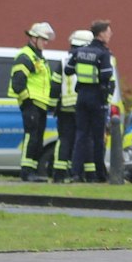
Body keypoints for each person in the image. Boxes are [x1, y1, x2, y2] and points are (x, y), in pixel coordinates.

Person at [66, 19, 116, 183]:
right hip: (97, 98)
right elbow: (106, 75)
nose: (110, 34)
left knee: (81, 135)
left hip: (81, 97)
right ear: (101, 34)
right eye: (108, 31)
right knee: (98, 138)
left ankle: (75, 173)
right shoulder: (104, 53)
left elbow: (68, 70)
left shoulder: (79, 52)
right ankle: (100, 174)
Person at [8, 22, 55, 182]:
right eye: (43, 39)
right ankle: (26, 172)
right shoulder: (25, 56)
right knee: (31, 136)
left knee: (38, 138)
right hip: (31, 104)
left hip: (40, 104)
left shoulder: (39, 58)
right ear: (34, 38)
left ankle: (33, 171)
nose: (46, 43)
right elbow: (18, 82)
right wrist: (27, 101)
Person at [54, 29, 92, 176]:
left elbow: (55, 85)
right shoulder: (91, 60)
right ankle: (86, 174)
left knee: (64, 140)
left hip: (65, 109)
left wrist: (52, 106)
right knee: (84, 140)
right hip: (84, 107)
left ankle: (59, 173)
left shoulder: (63, 61)